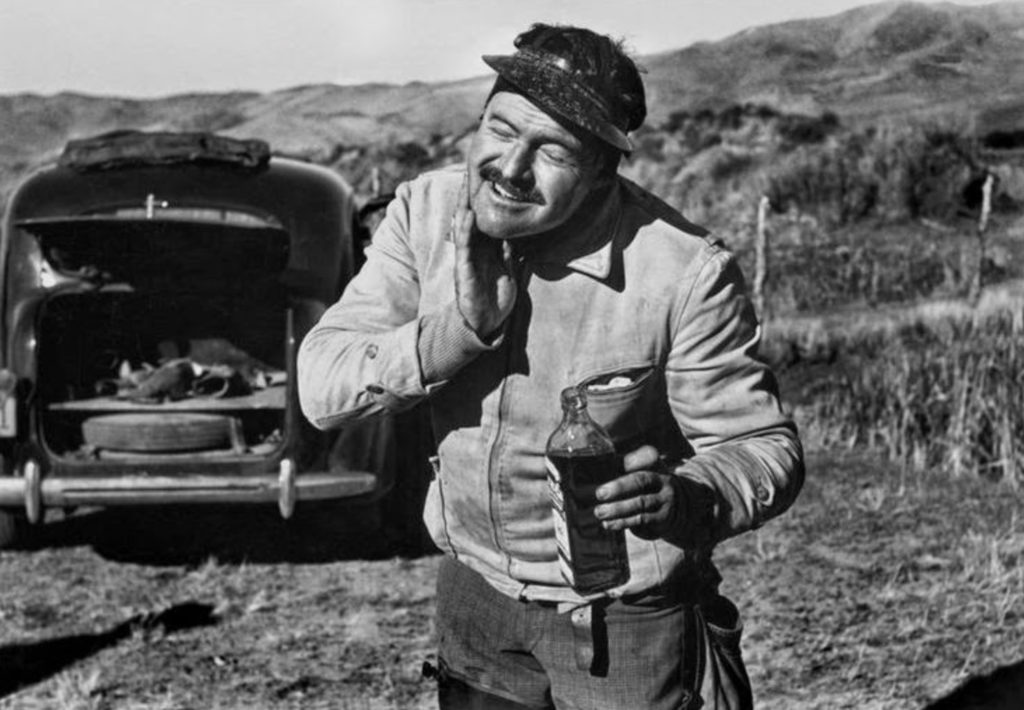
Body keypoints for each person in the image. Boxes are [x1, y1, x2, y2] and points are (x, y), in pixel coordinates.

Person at [298, 23, 804, 710]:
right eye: (500, 130)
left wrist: (691, 496)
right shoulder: (424, 215)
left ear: (602, 170)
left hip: (622, 619)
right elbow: (322, 388)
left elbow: (763, 447)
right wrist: (461, 330)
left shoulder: (683, 271)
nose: (509, 167)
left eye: (552, 152)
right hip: (474, 601)